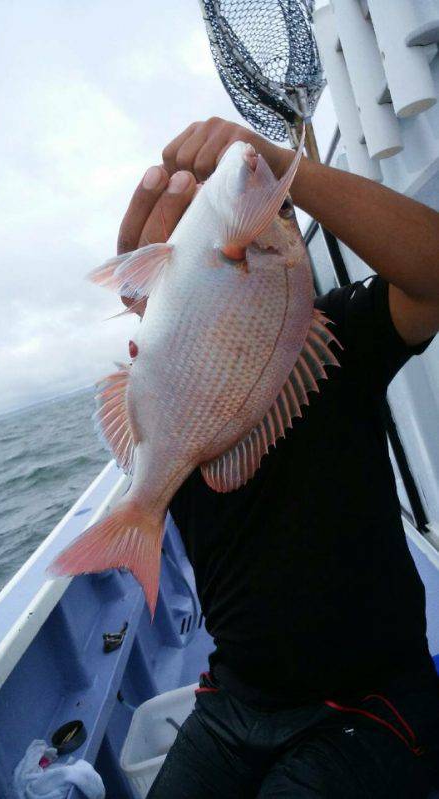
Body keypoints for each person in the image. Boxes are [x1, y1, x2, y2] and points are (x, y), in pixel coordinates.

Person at [118, 117, 439, 798]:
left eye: (283, 212)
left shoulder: (339, 335)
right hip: (235, 697)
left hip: (370, 702)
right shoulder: (172, 389)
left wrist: (275, 158)